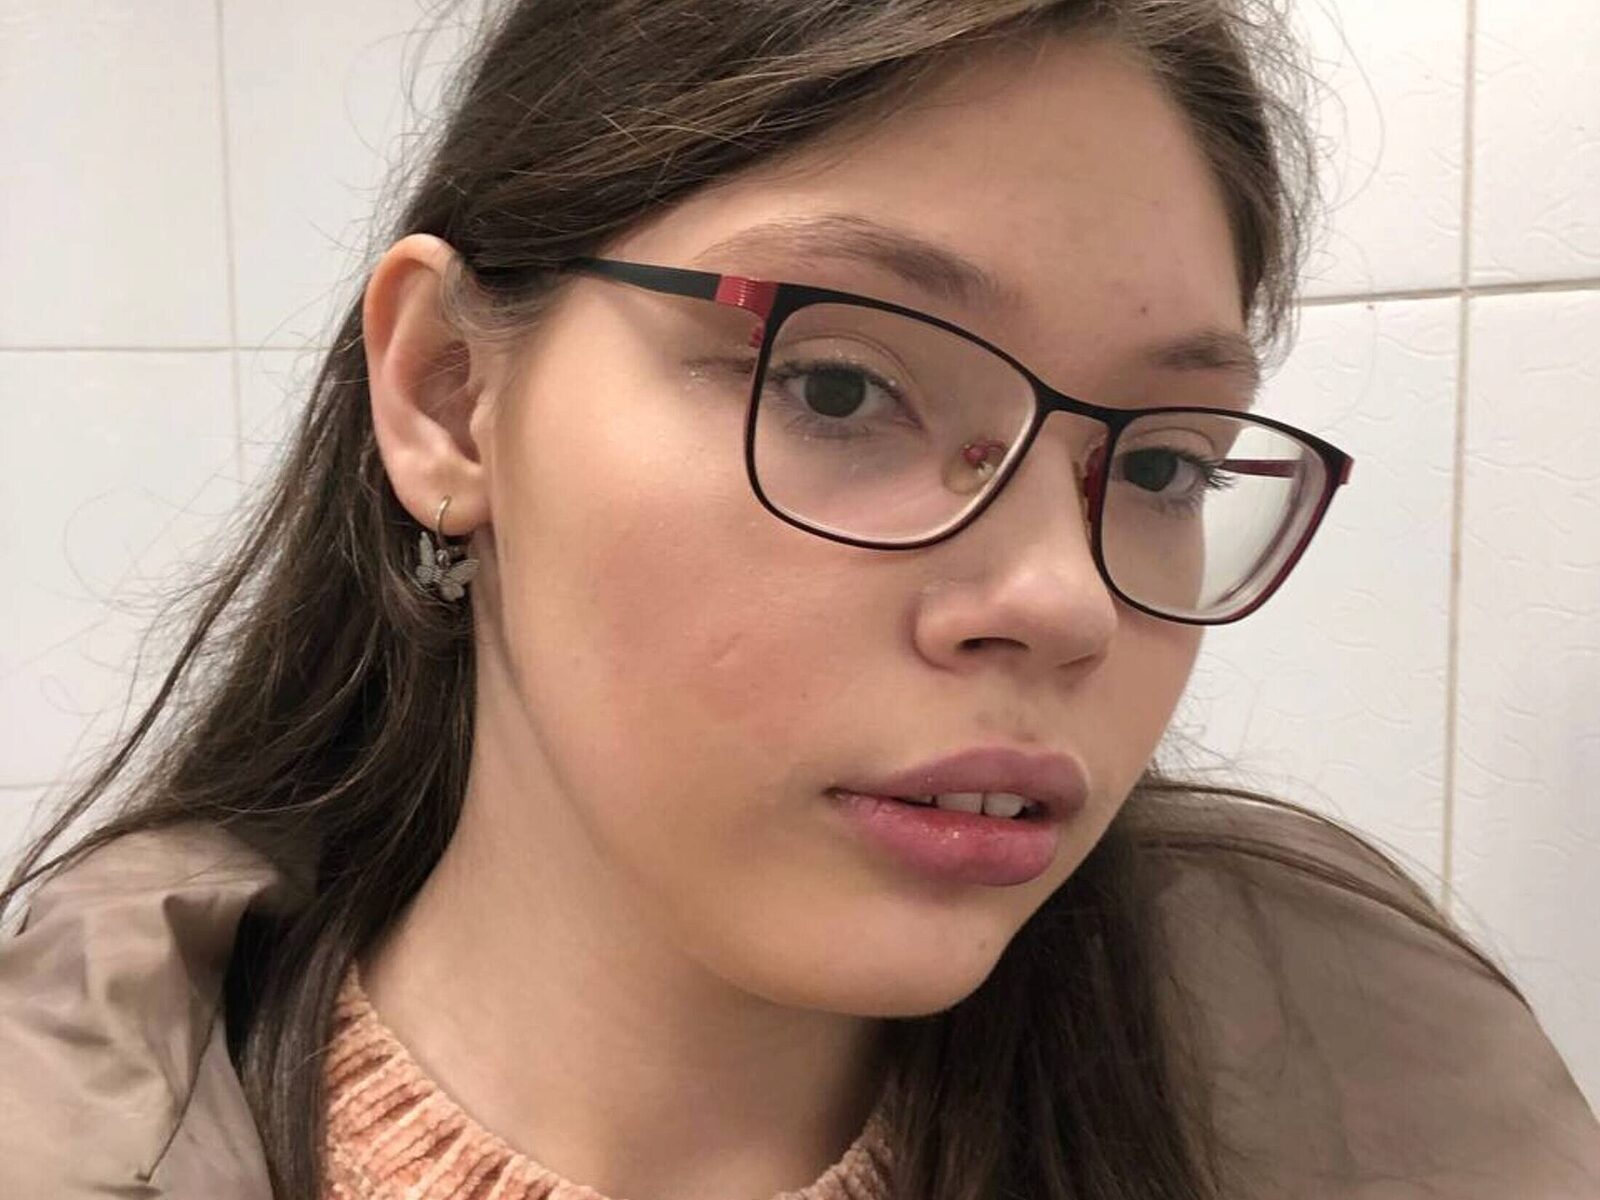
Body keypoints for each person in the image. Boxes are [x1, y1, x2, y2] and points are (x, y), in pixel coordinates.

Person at [2, 1, 1597, 1197]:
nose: (1065, 603)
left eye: (1165, 465)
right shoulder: (68, 1129)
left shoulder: (1390, 1101)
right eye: (839, 387)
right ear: (447, 396)